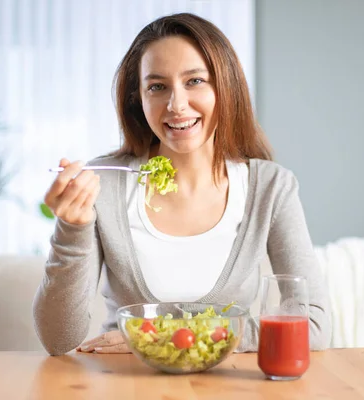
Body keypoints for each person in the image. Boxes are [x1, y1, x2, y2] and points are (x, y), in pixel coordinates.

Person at [33, 12, 331, 356]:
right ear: (138, 100)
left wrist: (157, 335)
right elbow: (58, 340)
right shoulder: (106, 185)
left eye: (195, 81)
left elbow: (314, 326)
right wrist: (71, 229)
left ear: (225, 87)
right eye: (157, 87)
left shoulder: (271, 188)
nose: (176, 105)